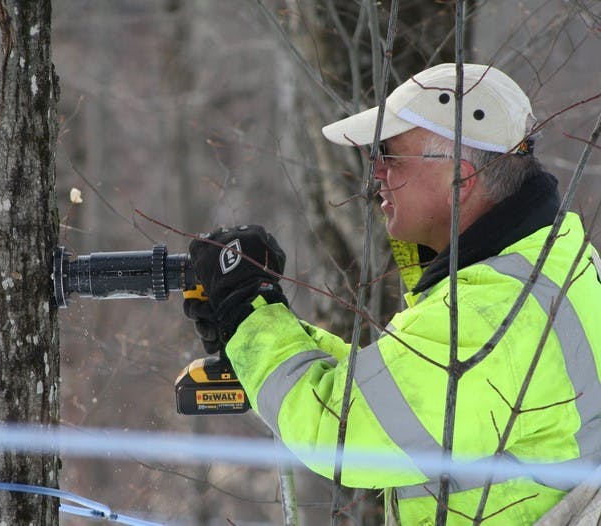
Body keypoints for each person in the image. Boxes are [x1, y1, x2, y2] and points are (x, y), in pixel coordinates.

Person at [183, 63, 601, 525]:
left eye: (390, 155)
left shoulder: (490, 314)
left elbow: (337, 431)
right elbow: (386, 393)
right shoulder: (553, 255)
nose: (376, 173)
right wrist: (261, 327)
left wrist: (247, 310)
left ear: (460, 180)